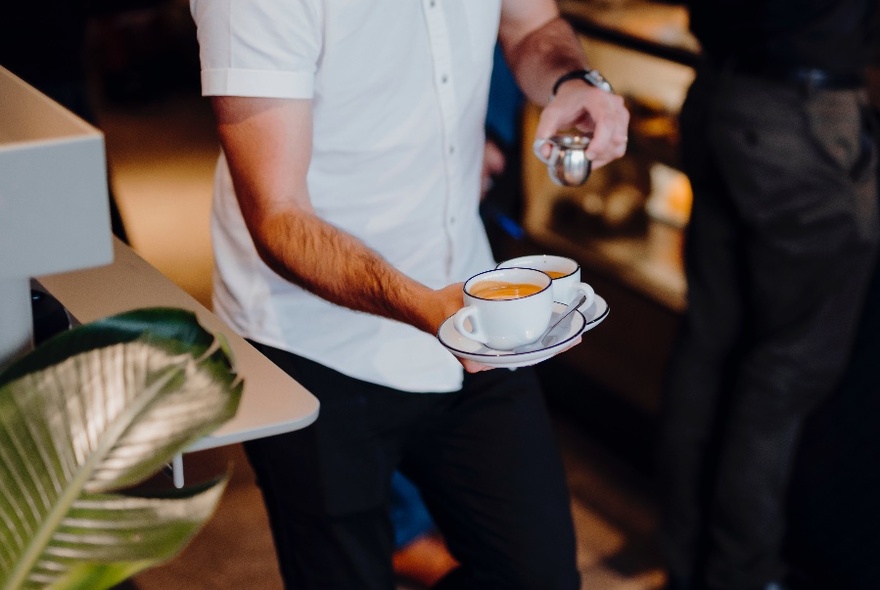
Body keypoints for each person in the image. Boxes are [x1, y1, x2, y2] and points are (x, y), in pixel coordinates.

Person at [188, 0, 629, 587]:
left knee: (537, 575)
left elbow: (532, 24)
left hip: (468, 296)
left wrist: (570, 81)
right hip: (312, 342)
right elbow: (278, 215)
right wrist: (427, 308)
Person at [655, 2, 880, 589]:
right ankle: (742, 575)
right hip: (800, 114)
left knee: (708, 345)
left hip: (718, 94)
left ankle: (687, 564)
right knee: (786, 372)